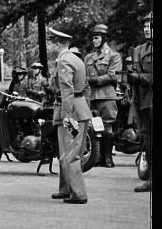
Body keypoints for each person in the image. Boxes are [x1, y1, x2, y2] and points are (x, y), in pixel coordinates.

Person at [45, 28, 91, 204]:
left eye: (51, 43)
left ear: (57, 44)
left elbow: (66, 89)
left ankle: (78, 194)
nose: (49, 47)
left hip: (70, 112)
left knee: (70, 154)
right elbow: (85, 88)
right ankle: (65, 189)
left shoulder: (64, 60)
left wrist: (68, 115)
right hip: (80, 109)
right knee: (67, 152)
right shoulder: (77, 59)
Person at [84, 23, 122, 168]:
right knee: (93, 127)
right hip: (91, 96)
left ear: (104, 38)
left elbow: (113, 75)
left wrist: (95, 80)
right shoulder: (89, 57)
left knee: (107, 126)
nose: (94, 40)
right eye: (93, 38)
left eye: (97, 38)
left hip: (106, 96)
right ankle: (98, 157)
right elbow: (84, 75)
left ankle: (107, 158)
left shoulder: (114, 56)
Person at [127, 11, 152, 192]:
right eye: (144, 26)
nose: (147, 29)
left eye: (150, 25)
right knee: (147, 141)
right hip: (142, 102)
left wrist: (138, 77)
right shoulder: (139, 50)